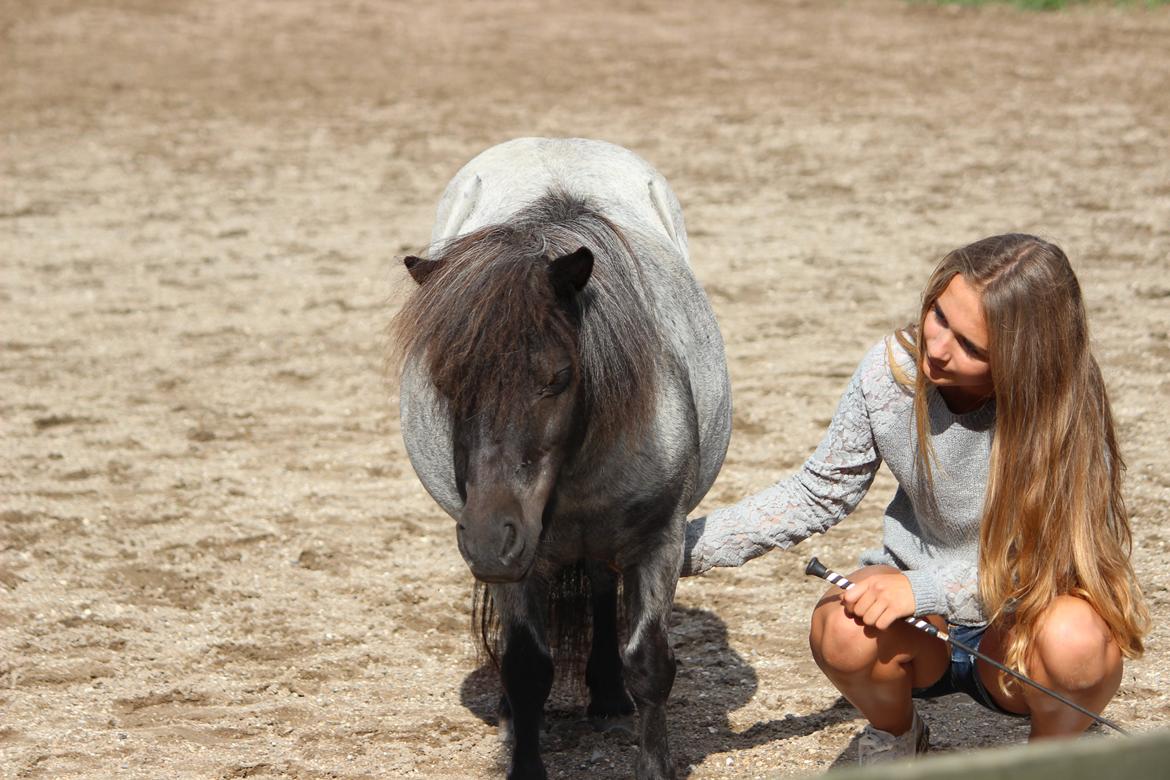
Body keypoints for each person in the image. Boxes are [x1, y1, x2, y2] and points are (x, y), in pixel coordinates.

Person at [681, 233, 1149, 764]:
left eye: (972, 347)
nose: (938, 346)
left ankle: (1047, 764)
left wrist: (925, 589)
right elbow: (815, 492)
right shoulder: (892, 370)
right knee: (840, 625)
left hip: (1021, 623)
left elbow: (1057, 561)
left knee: (1078, 643)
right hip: (920, 623)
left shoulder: (1068, 405)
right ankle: (900, 738)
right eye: (939, 316)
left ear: (1026, 365)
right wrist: (669, 551)